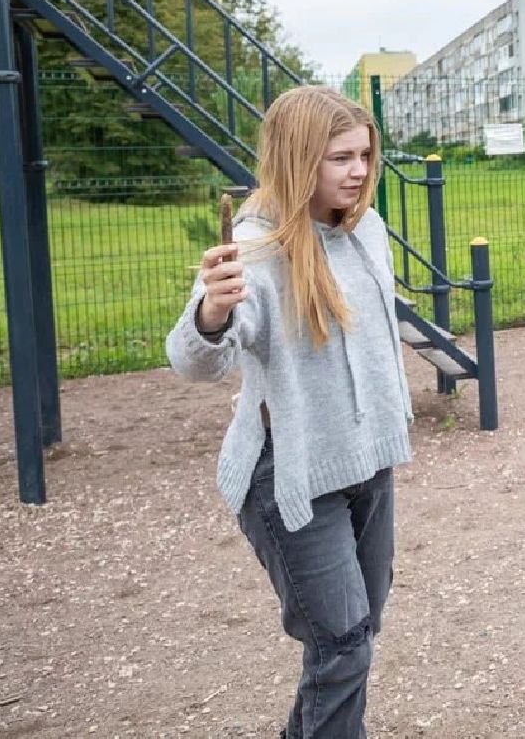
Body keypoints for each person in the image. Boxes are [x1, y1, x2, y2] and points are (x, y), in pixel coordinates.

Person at [166, 85, 413, 738]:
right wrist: (211, 314)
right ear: (298, 159)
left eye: (363, 154)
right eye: (339, 158)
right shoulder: (251, 250)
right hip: (293, 475)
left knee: (352, 637)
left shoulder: (369, 230)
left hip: (368, 462)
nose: (358, 171)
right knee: (343, 644)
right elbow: (197, 362)